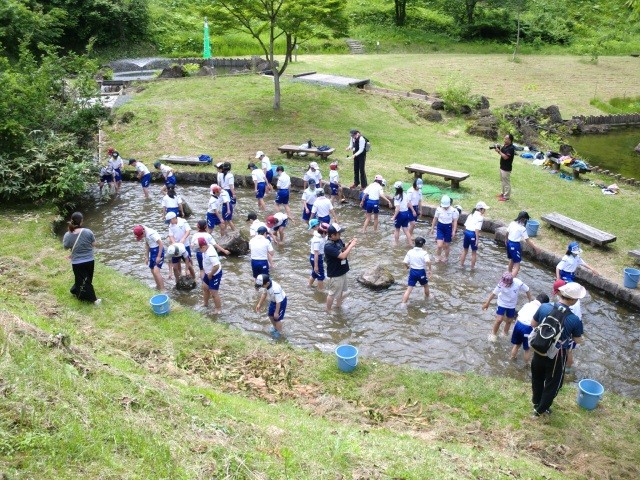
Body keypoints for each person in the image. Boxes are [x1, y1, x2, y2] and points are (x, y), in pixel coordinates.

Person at [530, 282, 586, 417]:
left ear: (560, 293)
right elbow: (578, 340)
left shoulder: (544, 307)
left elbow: (533, 324)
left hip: (539, 348)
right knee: (554, 384)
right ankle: (540, 410)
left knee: (537, 378)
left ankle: (537, 402)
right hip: (556, 355)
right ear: (573, 300)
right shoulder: (574, 319)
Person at [482, 272, 533, 342]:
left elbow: (527, 290)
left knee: (509, 321)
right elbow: (493, 293)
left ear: (511, 283)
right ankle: (493, 334)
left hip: (512, 305)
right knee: (499, 320)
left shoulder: (517, 283)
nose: (504, 285)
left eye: (506, 284)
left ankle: (504, 333)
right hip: (502, 303)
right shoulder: (500, 284)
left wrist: (530, 301)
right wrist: (487, 303)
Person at [62, 212, 100, 305]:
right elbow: (94, 244)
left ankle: (76, 291)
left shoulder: (68, 234)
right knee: (87, 279)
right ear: (81, 221)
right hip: (89, 260)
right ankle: (93, 300)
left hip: (76, 262)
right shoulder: (88, 231)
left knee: (82, 279)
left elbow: (66, 246)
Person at [324, 223, 357, 313]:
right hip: (335, 274)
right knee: (332, 293)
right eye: (338, 233)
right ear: (332, 235)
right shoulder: (328, 246)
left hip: (342, 271)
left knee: (341, 290)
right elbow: (342, 256)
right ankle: (328, 310)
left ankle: (338, 306)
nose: (340, 235)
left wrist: (349, 244)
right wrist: (351, 246)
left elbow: (342, 248)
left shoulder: (338, 240)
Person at [551, 279, 582, 373]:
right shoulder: (574, 299)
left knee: (569, 350)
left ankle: (568, 368)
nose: (556, 294)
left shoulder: (570, 303)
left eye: (557, 292)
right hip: (573, 323)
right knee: (567, 348)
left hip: (570, 326)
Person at [510, 293, 550, 364]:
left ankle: (512, 358)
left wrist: (515, 327)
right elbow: (537, 323)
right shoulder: (541, 309)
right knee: (527, 349)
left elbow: (518, 315)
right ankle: (526, 364)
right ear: (544, 303)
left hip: (518, 324)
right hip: (527, 328)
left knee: (517, 345)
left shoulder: (527, 304)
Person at [506, 211, 540, 277]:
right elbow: (527, 240)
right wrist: (536, 248)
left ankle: (508, 274)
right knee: (517, 267)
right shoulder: (522, 228)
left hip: (509, 243)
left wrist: (506, 240)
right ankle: (510, 281)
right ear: (524, 219)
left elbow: (507, 233)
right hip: (515, 246)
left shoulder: (512, 223)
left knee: (512, 259)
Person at [255, 274, 287, 339]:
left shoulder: (275, 288)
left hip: (281, 301)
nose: (262, 287)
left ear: (267, 283)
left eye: (262, 286)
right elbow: (264, 294)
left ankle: (279, 332)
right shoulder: (266, 285)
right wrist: (259, 304)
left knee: (277, 318)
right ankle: (275, 328)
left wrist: (276, 312)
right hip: (273, 300)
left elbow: (278, 302)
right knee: (270, 315)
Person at [132, 224, 165, 291]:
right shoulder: (143, 231)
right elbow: (147, 244)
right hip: (152, 251)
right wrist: (146, 257)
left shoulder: (151, 234)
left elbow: (161, 244)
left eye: (140, 236)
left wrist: (158, 256)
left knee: (156, 271)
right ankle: (157, 286)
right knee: (152, 270)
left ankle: (163, 290)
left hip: (158, 250)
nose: (141, 238)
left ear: (143, 232)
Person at [401, 236, 432, 305]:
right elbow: (428, 261)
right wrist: (430, 270)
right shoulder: (424, 253)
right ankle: (428, 297)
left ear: (414, 243)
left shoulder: (410, 251)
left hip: (413, 272)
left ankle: (403, 303)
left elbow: (404, 262)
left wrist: (407, 267)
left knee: (409, 289)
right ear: (423, 245)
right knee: (426, 285)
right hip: (421, 272)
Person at [459, 201, 489, 269]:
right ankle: (472, 268)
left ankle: (461, 265)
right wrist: (477, 240)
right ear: (480, 209)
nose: (485, 211)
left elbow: (465, 226)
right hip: (473, 234)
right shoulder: (480, 217)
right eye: (484, 209)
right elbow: (477, 230)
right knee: (474, 252)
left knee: (465, 250)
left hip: (467, 233)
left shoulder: (471, 214)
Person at [430, 195, 459, 263]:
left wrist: (454, 231)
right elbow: (435, 219)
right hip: (440, 227)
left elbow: (455, 221)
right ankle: (438, 256)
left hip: (448, 227)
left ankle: (446, 257)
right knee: (439, 245)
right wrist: (432, 228)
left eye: (447, 206)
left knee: (446, 245)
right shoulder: (438, 209)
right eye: (444, 206)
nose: (445, 207)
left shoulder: (453, 210)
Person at [198, 237, 223, 314]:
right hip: (208, 272)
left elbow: (216, 266)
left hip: (215, 273)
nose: (199, 251)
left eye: (200, 249)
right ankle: (205, 304)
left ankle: (218, 309)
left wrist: (211, 274)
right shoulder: (207, 246)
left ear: (204, 246)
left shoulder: (210, 253)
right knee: (205, 287)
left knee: (213, 292)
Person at [166, 211, 193, 279]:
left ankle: (192, 276)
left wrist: (183, 239)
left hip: (185, 245)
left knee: (189, 263)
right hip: (176, 246)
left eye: (170, 221)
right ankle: (178, 279)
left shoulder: (183, 221)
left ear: (173, 218)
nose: (170, 222)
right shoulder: (170, 226)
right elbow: (171, 235)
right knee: (175, 266)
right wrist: (174, 243)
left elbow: (188, 231)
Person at [392, 181, 415, 246]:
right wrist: (413, 210)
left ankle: (396, 243)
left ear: (395, 188)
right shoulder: (405, 194)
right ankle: (410, 243)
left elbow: (398, 208)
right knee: (406, 230)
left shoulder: (397, 197)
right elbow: (408, 204)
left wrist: (394, 216)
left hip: (400, 214)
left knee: (397, 229)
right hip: (406, 213)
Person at [308, 219, 328, 290]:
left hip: (316, 257)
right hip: (316, 257)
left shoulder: (320, 234)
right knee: (320, 275)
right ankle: (321, 291)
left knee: (315, 273)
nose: (313, 229)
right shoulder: (316, 239)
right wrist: (316, 266)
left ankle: (309, 286)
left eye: (313, 227)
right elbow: (316, 253)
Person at [495, 133, 516, 201]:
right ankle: (503, 193)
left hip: (506, 168)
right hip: (502, 167)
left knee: (506, 183)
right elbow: (502, 153)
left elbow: (505, 157)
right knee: (503, 181)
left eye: (506, 139)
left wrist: (499, 151)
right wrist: (498, 148)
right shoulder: (505, 146)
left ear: (510, 140)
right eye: (504, 138)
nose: (504, 140)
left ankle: (506, 197)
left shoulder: (511, 148)